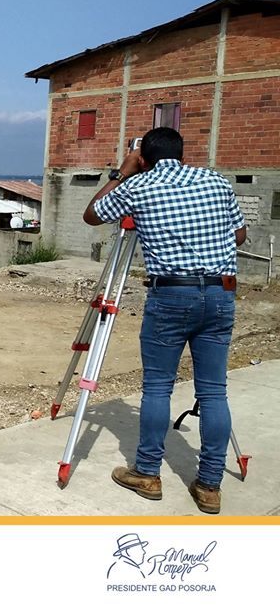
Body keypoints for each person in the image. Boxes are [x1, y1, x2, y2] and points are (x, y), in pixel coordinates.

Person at [82, 127, 247, 515]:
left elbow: (92, 215)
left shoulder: (137, 185)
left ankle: (147, 473)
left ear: (143, 158)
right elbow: (238, 236)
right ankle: (209, 486)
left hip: (171, 295)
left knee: (157, 388)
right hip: (220, 294)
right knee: (214, 391)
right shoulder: (216, 181)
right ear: (183, 154)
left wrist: (122, 172)